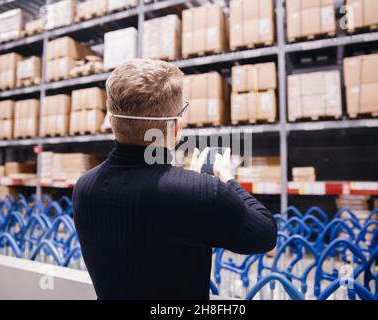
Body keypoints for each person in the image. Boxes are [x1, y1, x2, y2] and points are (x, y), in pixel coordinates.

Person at [73, 59, 277, 300]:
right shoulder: (200, 192)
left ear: (113, 122)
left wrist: (187, 179)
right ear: (176, 127)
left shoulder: (84, 188)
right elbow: (265, 233)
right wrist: (226, 179)